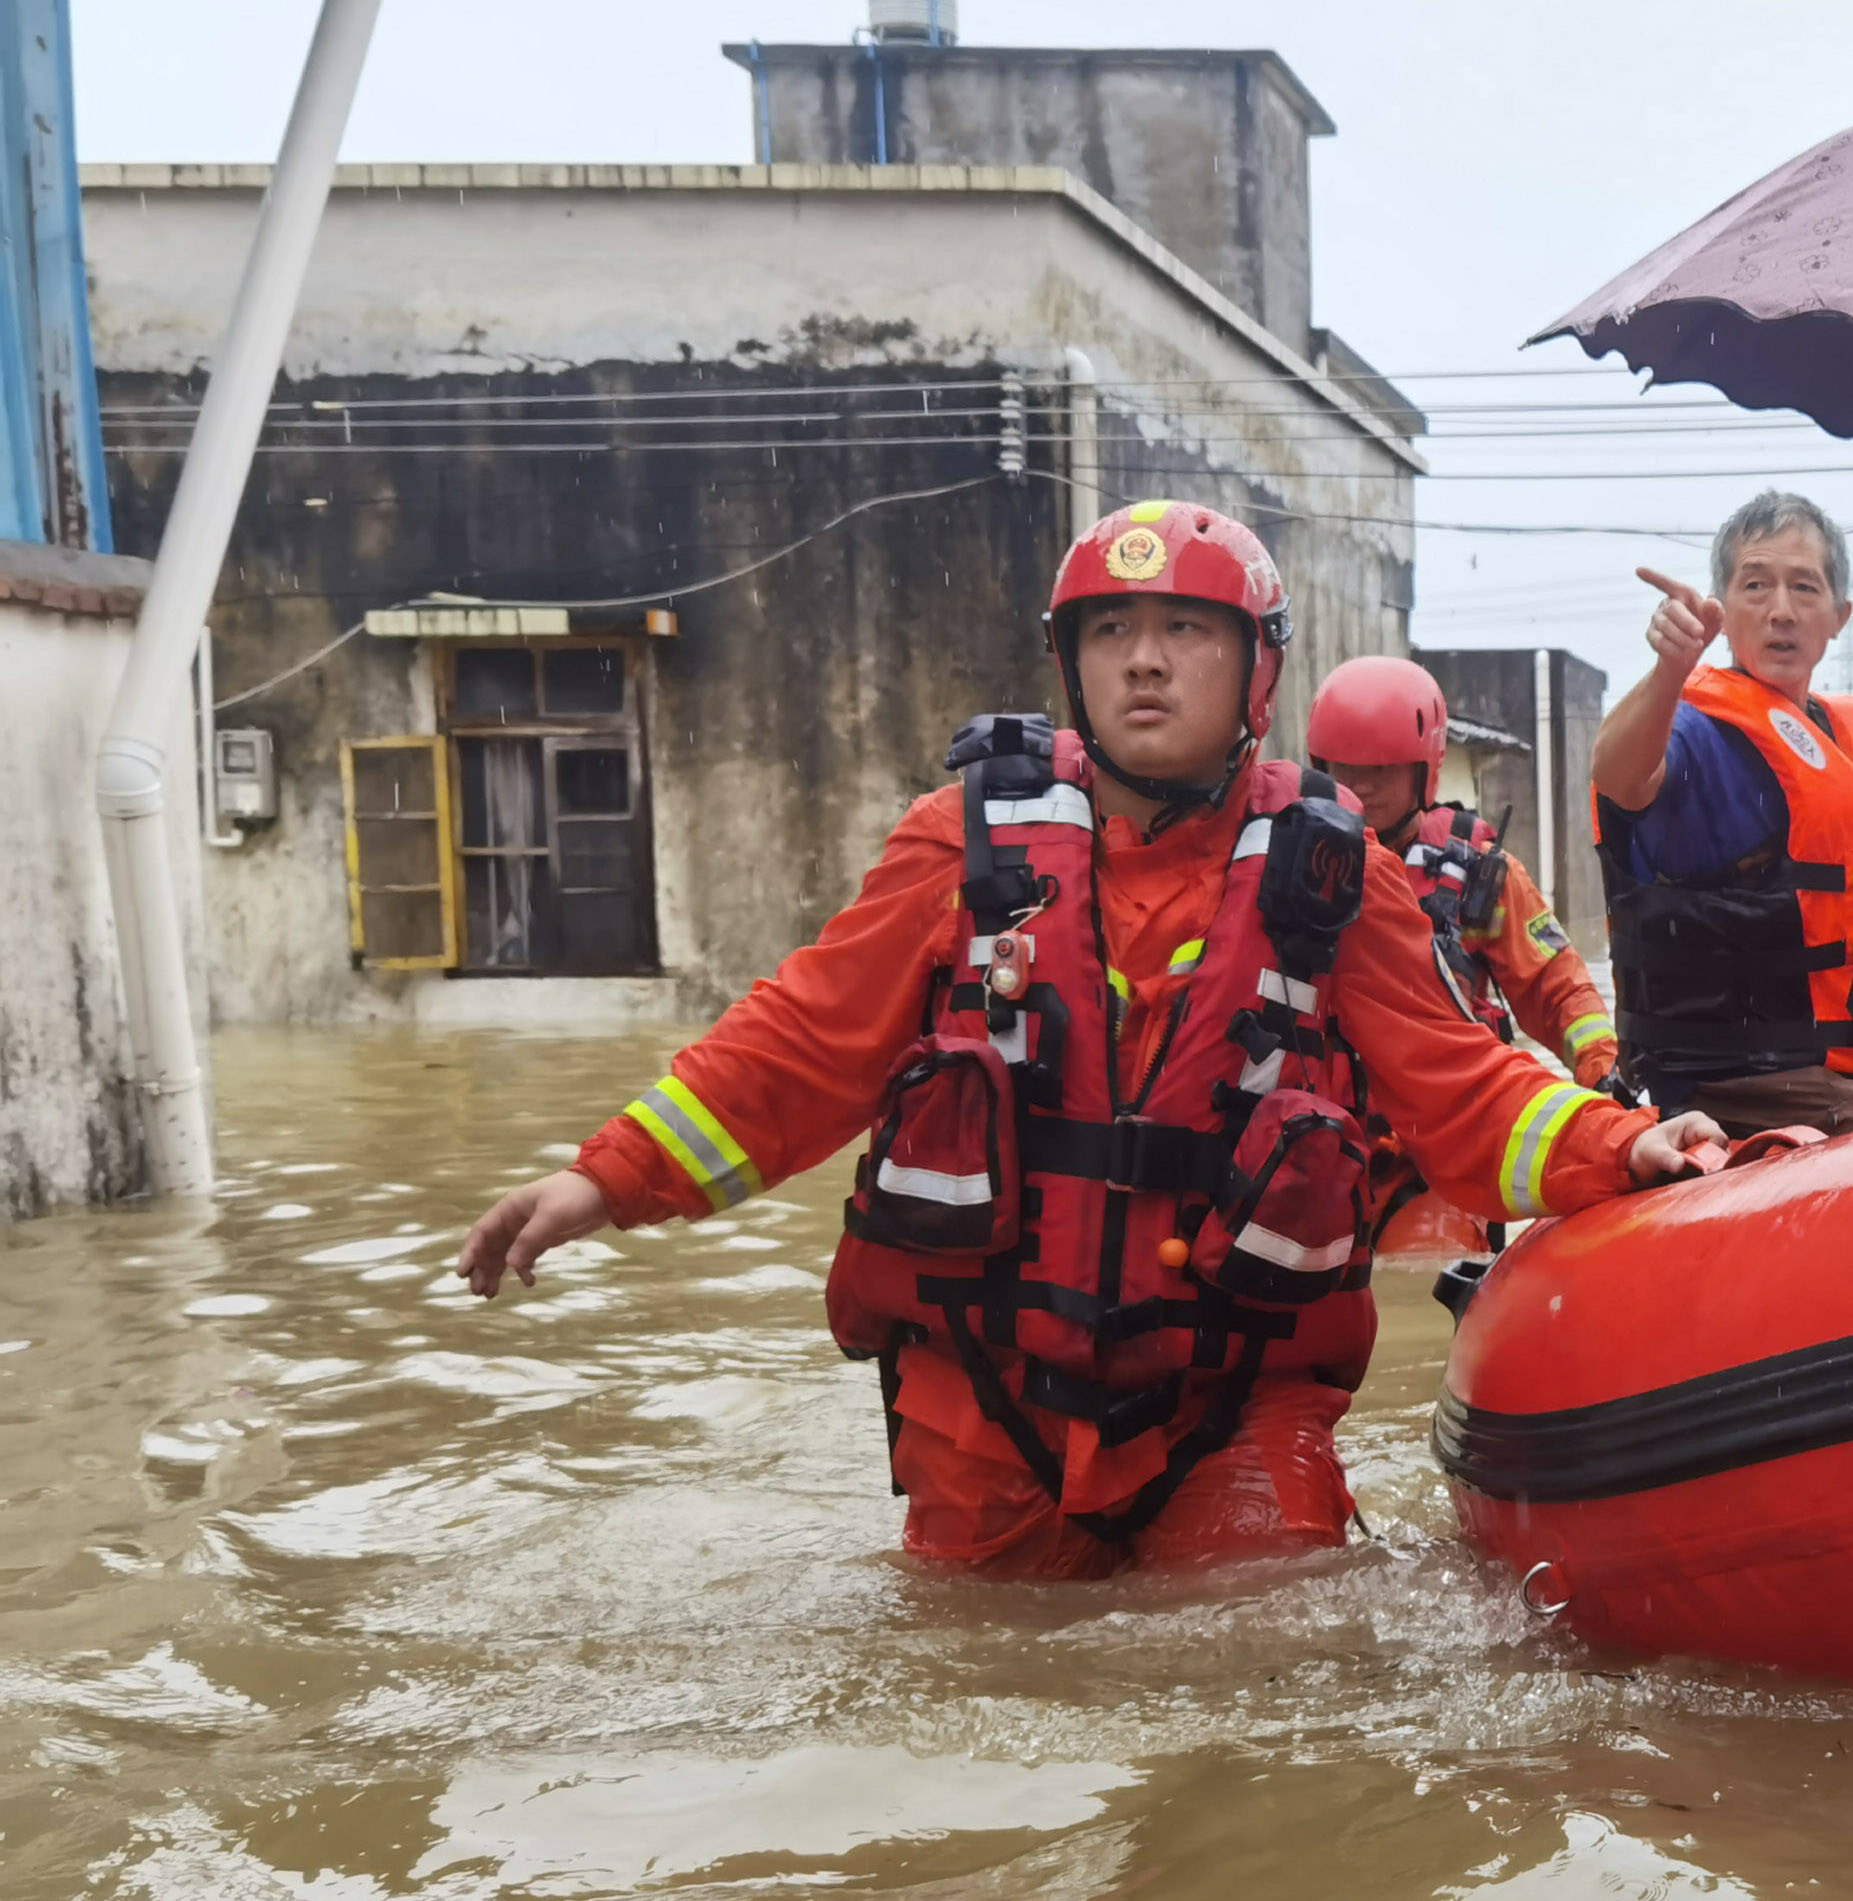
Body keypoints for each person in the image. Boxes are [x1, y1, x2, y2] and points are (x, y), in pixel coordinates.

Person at [454, 500, 1729, 1581]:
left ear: (1254, 670)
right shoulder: (962, 844)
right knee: (973, 1702)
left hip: (1235, 1400)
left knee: (1280, 1667)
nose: (1145, 662)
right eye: (1111, 632)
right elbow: (801, 1043)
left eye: (1185, 630)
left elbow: (1468, 1090)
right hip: (988, 1400)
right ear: (1073, 666)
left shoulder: (1334, 876)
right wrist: (604, 1177)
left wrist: (1631, 1145)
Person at [1590, 490, 1853, 1136]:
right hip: (1738, 1078)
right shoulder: (1692, 728)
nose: (1781, 612)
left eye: (1805, 588)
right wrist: (1668, 670)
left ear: (1839, 616)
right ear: (1722, 607)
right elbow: (1618, 777)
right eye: (1756, 586)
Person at [1304, 654, 1623, 1089]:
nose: (1361, 786)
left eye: (1381, 768)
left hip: (1445, 1123)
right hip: (1331, 1130)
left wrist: (1604, 1072)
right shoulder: (1293, 864)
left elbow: (1555, 986)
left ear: (1424, 770)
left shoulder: (1477, 873)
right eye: (1345, 769)